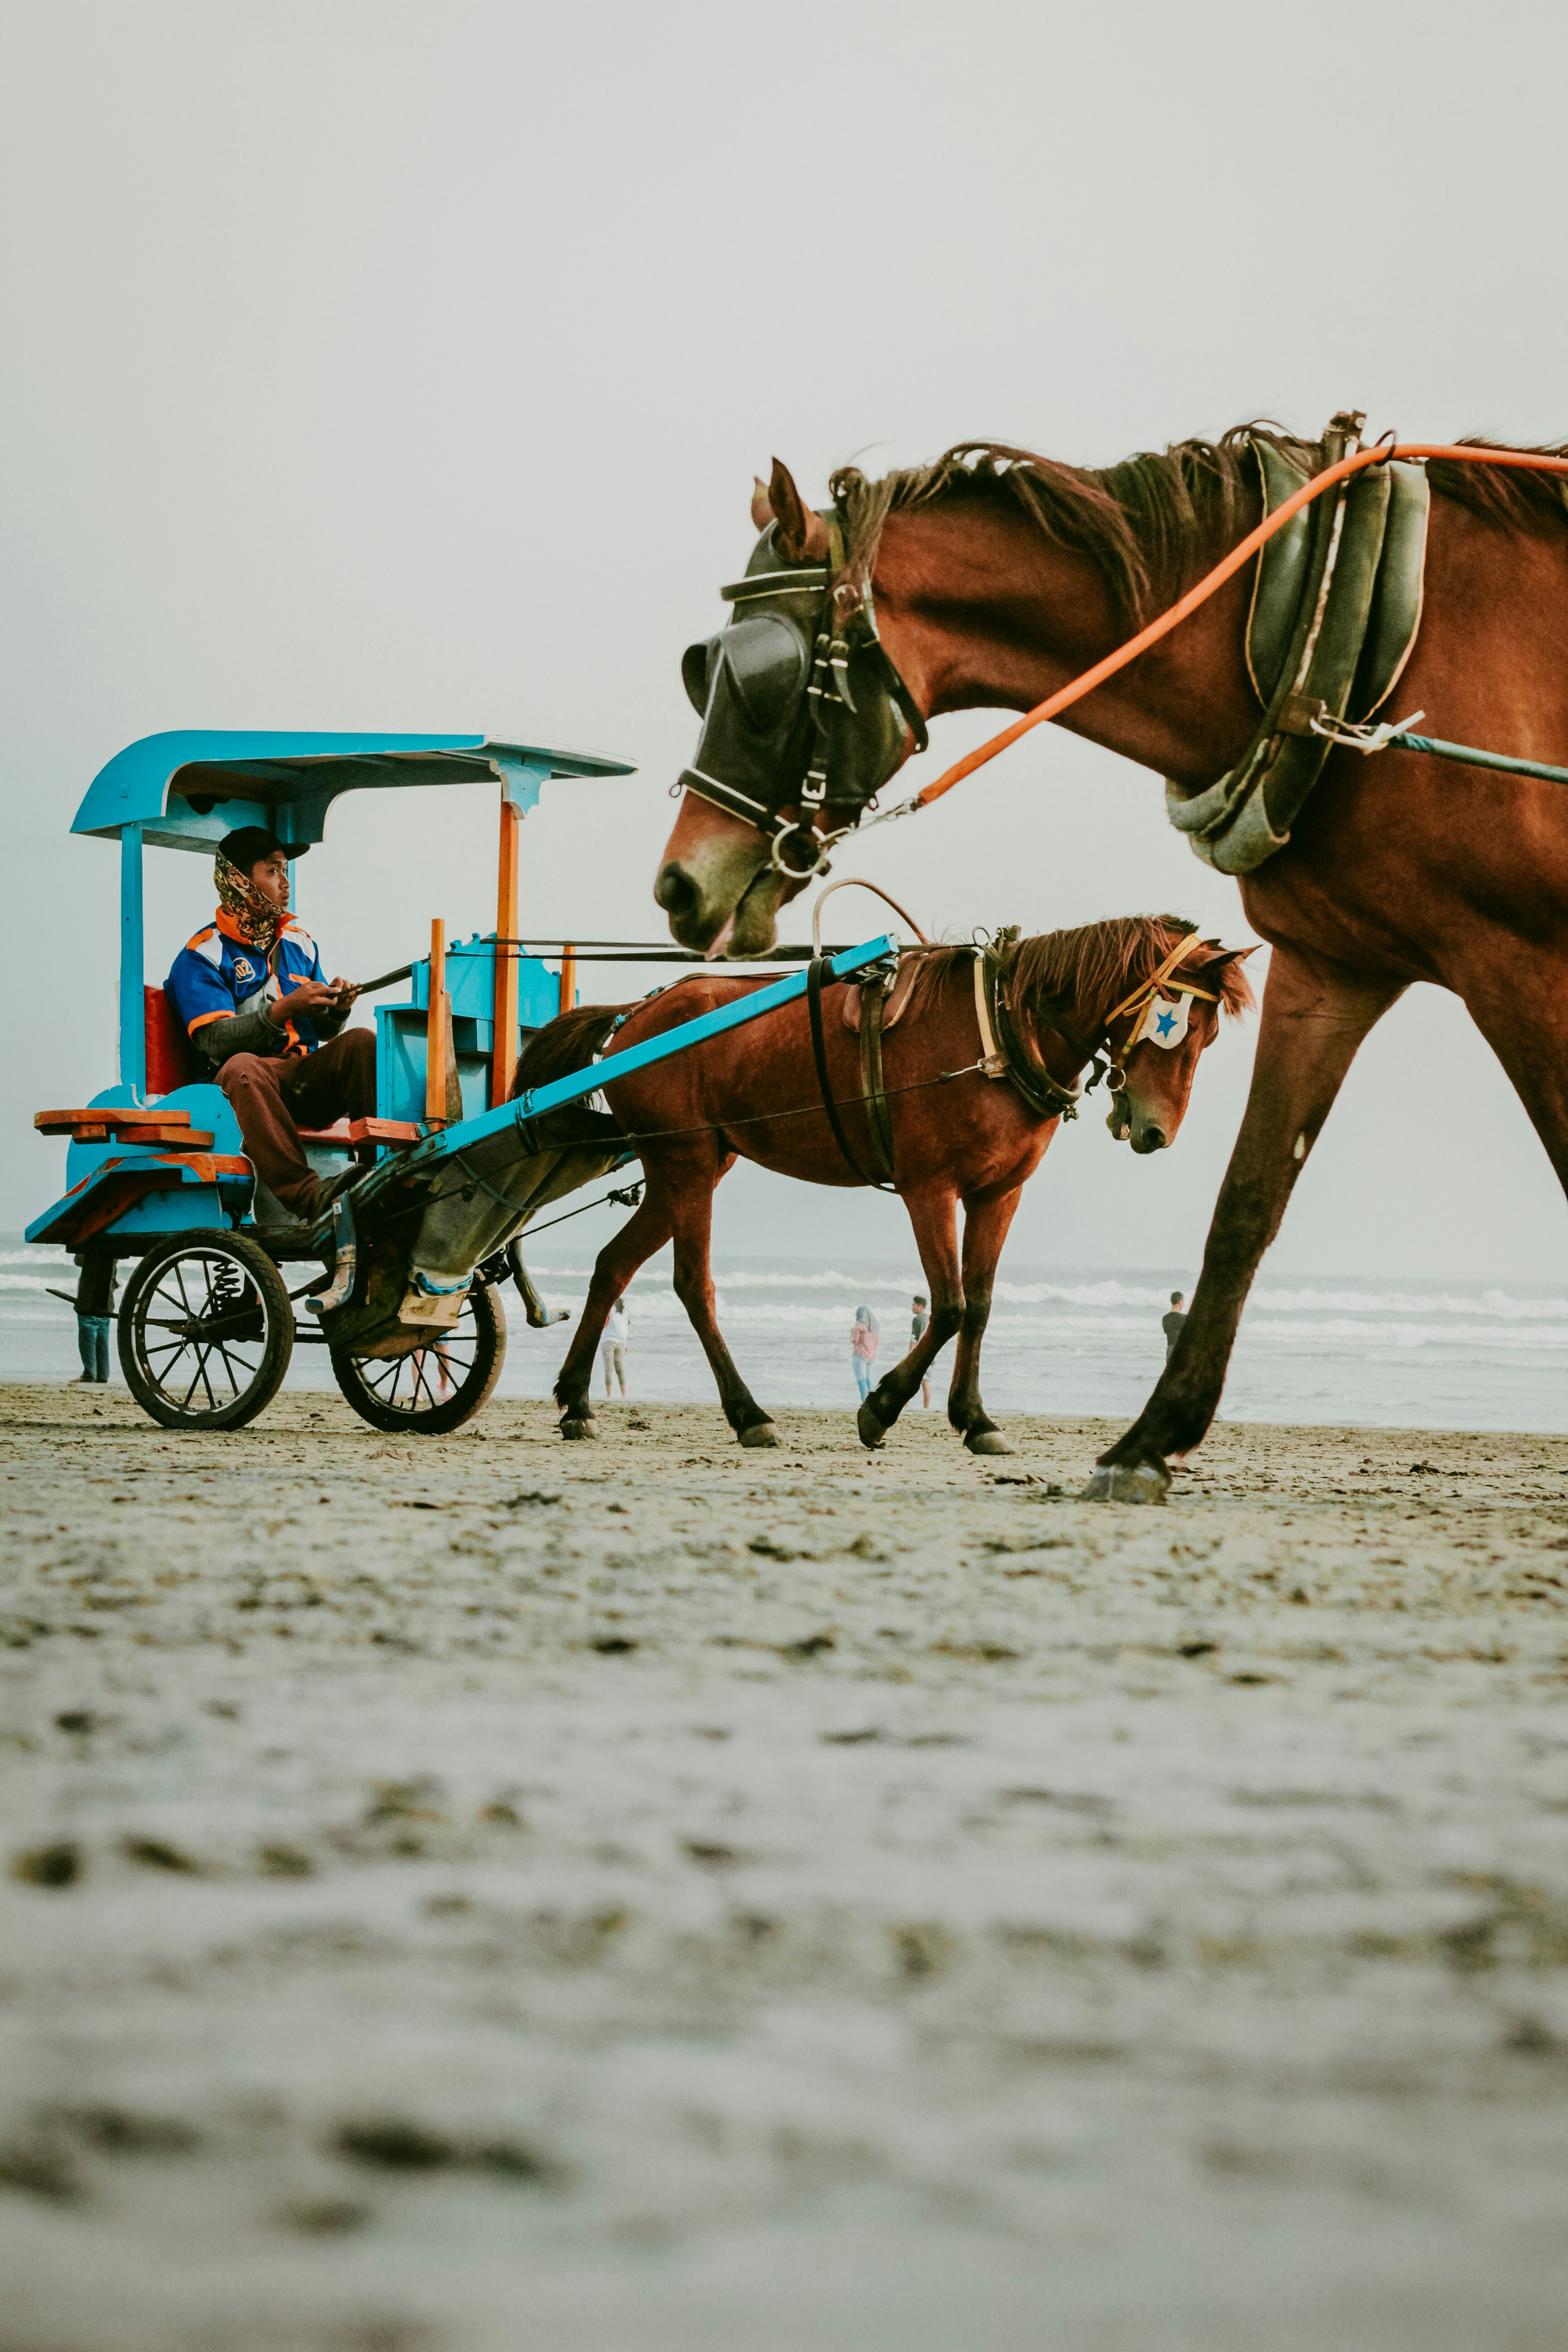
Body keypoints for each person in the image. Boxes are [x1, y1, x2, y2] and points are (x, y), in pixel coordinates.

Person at [164, 828, 373, 1225]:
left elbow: (324, 1031)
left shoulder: (301, 943)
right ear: (239, 880)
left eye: (286, 871)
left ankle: (378, 1174)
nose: (285, 883)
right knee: (243, 1067)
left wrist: (337, 1010)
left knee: (363, 1042)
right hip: (242, 1091)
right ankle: (309, 1196)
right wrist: (285, 1009)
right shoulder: (202, 955)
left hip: (302, 1080)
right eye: (273, 871)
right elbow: (215, 1041)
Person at [601, 1294, 631, 1399]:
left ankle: (609, 1394)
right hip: (621, 1343)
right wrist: (626, 1344)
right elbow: (625, 1328)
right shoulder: (626, 1312)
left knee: (609, 1369)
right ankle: (624, 1395)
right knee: (620, 1369)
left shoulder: (610, 1310)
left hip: (608, 1341)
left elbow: (604, 1325)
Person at [850, 1304, 879, 1401]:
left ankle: (865, 1402)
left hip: (860, 1356)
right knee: (868, 1380)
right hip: (872, 1357)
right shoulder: (875, 1326)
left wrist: (852, 1332)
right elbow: (877, 1342)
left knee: (862, 1380)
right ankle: (872, 1401)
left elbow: (854, 1340)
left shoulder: (859, 1325)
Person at [911, 1292, 932, 1408]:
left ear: (920, 1307)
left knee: (908, 1382)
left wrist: (909, 1356)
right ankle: (926, 1408)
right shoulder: (930, 1319)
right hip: (930, 1355)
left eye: (914, 1305)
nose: (912, 1307)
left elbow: (914, 1339)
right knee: (926, 1384)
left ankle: (906, 1407)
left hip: (919, 1355)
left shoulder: (917, 1320)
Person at [1162, 1290, 1187, 1360]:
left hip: (1170, 1350)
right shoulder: (1184, 1318)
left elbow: (1167, 1331)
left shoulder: (1165, 1318)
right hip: (1181, 1349)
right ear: (1180, 1302)